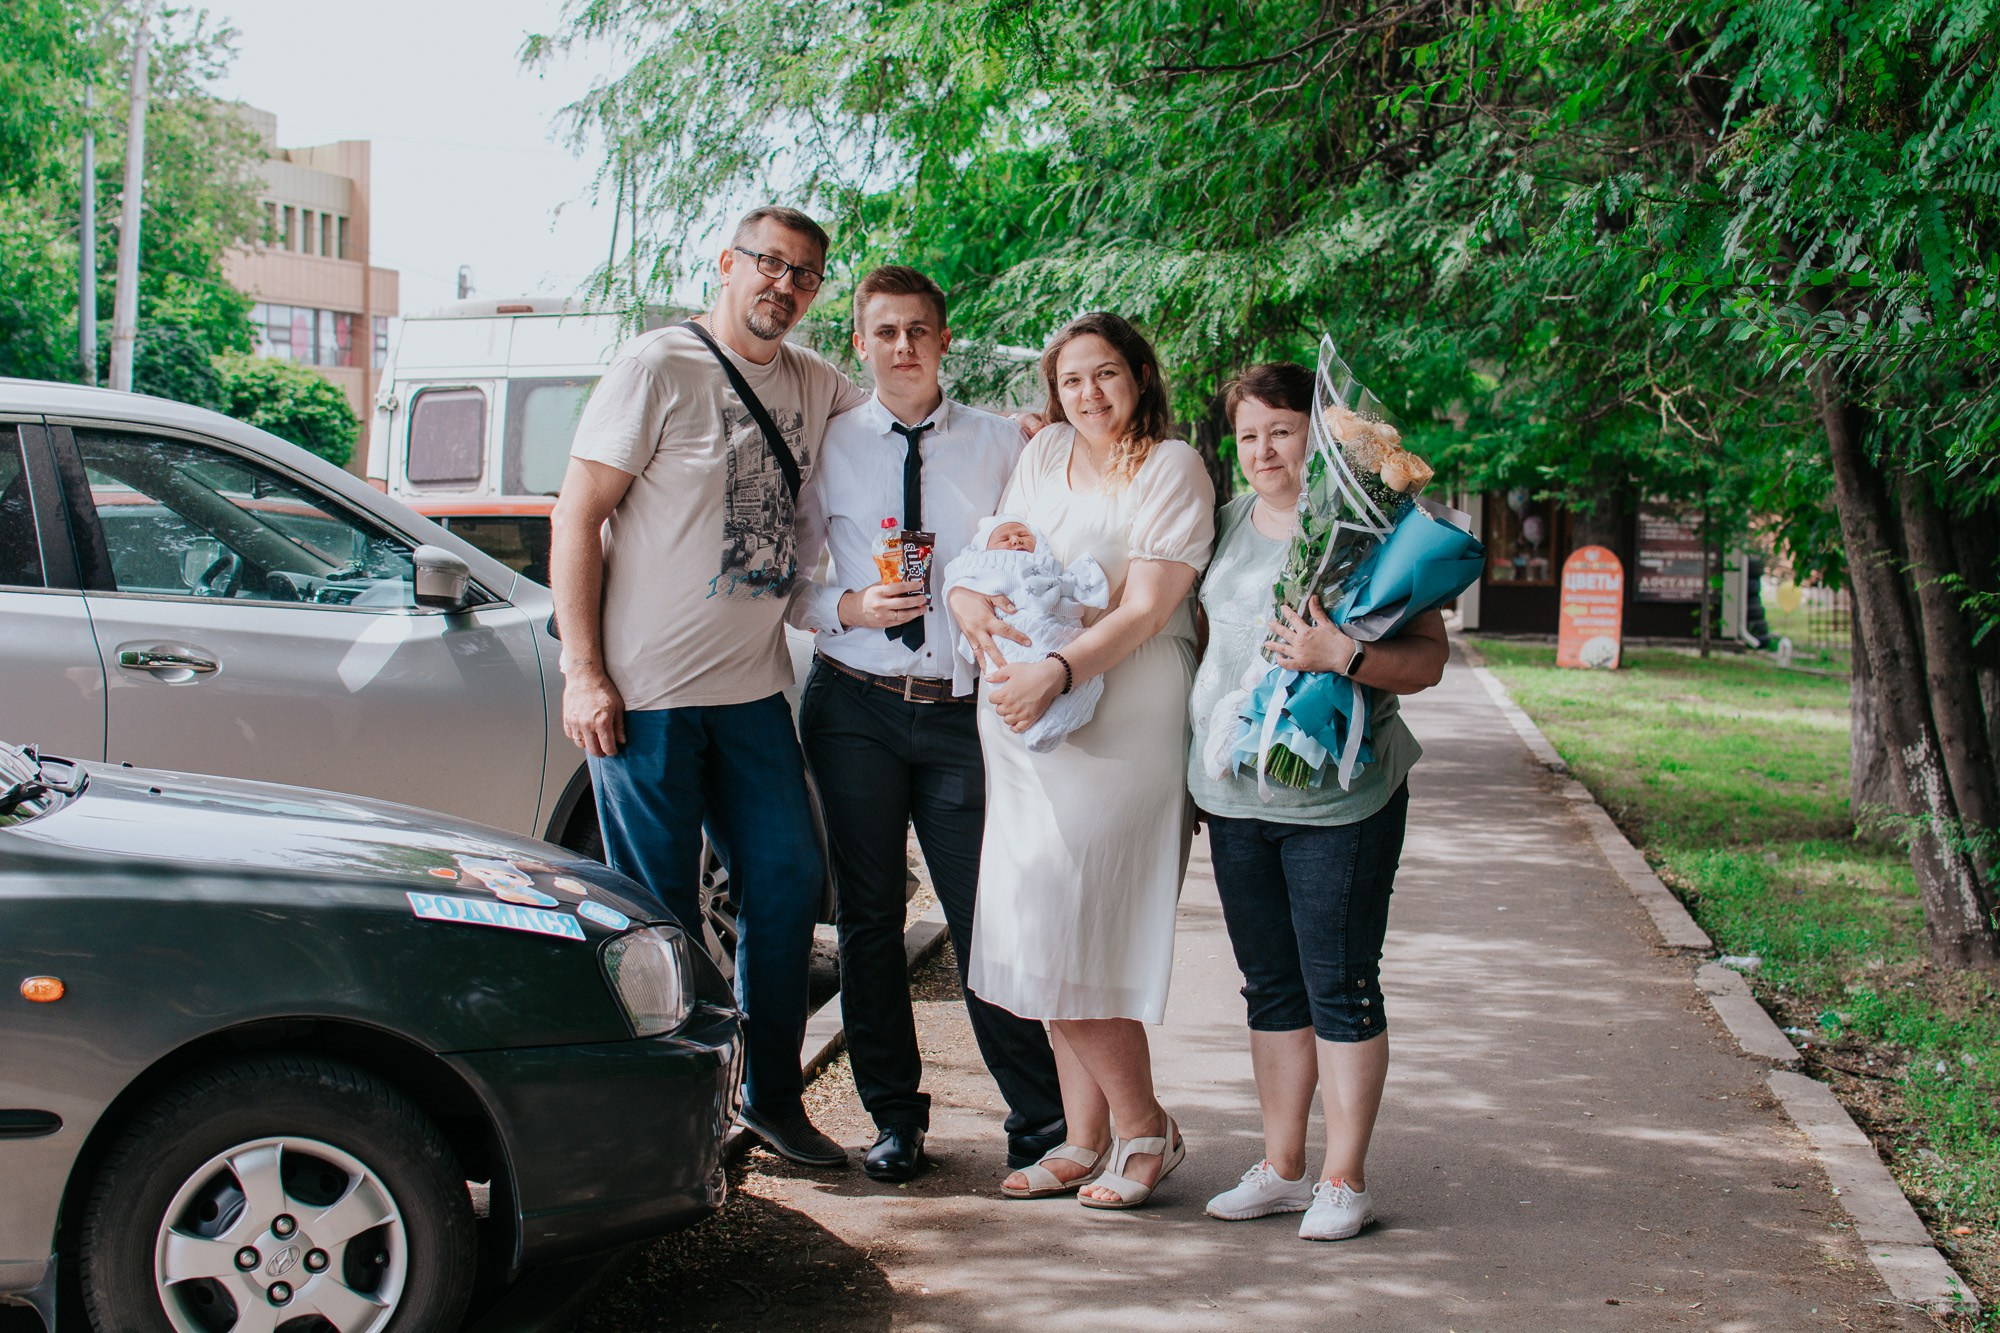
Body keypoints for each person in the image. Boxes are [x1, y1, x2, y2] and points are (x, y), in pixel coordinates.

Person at [550, 205, 867, 1169]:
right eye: (769, 264)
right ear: (727, 264)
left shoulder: (816, 382)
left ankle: (771, 1097)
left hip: (750, 691)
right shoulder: (657, 366)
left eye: (805, 274)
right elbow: (577, 515)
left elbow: (906, 412)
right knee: (659, 916)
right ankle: (674, 1127)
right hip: (644, 698)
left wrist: (1017, 429)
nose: (784, 285)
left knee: (785, 883)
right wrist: (581, 668)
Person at [788, 265, 1067, 1183]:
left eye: (917, 330)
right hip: (855, 706)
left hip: (960, 713)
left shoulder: (1002, 443)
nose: (901, 347)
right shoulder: (827, 445)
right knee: (868, 921)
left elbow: (1050, 545)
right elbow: (789, 580)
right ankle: (895, 1118)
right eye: (883, 332)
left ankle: (1039, 1119)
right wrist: (851, 604)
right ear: (859, 344)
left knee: (984, 912)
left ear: (944, 341)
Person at [949, 312, 1215, 1209]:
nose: (1089, 395)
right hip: (1029, 729)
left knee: (1075, 922)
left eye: (1105, 375)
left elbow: (1146, 609)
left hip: (1123, 713)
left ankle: (1146, 1129)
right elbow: (993, 551)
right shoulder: (1044, 452)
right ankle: (1081, 1135)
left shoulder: (1172, 466)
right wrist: (968, 604)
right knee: (1041, 925)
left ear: (1139, 374)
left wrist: (1057, 671)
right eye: (1071, 380)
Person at [1186, 362, 1447, 1241]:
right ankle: (1284, 1165)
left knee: (1340, 984)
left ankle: (1345, 1177)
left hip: (1341, 802)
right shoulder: (1224, 526)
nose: (1264, 449)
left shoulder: (1372, 529)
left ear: (1320, 436)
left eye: (1283, 431)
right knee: (1269, 987)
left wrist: (1342, 654)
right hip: (1233, 795)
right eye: (1249, 434)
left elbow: (1427, 660)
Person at [940, 515, 1110, 753]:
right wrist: (960, 591)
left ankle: (1054, 710)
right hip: (1009, 626)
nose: (1015, 541)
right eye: (1004, 538)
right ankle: (1039, 723)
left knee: (1062, 650)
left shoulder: (1046, 566)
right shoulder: (983, 564)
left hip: (1051, 627)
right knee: (1010, 654)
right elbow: (959, 573)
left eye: (1023, 535)